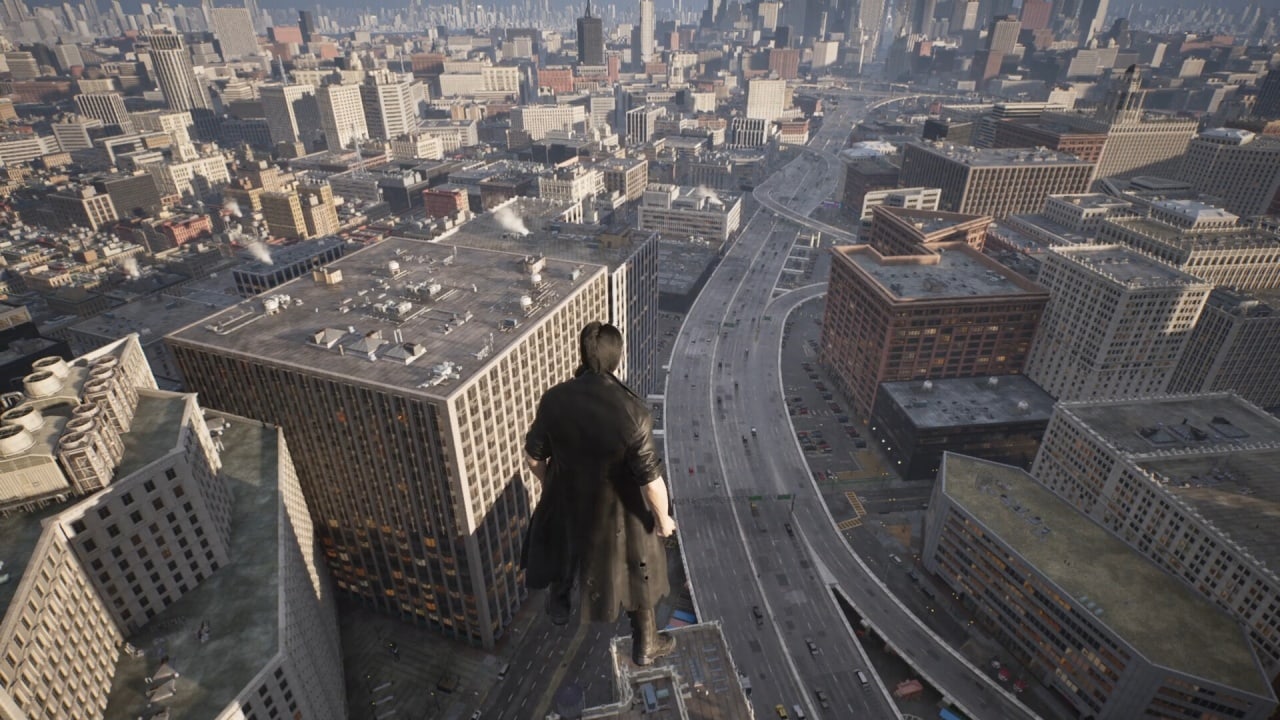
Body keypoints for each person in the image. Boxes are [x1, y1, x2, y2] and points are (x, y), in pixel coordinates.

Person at [524, 321, 678, 666]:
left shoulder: (554, 399)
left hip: (567, 501)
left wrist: (550, 485)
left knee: (562, 535)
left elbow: (534, 456)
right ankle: (646, 643)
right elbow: (651, 481)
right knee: (643, 557)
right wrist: (663, 520)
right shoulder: (633, 412)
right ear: (617, 358)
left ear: (582, 355)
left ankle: (559, 605)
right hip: (616, 514)